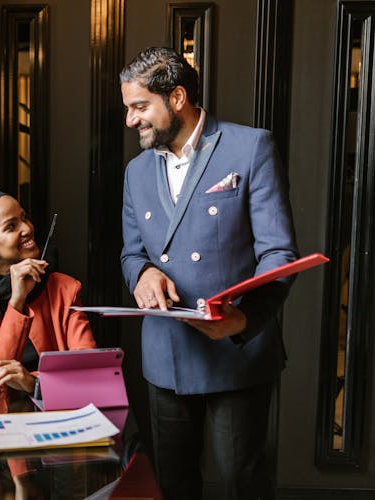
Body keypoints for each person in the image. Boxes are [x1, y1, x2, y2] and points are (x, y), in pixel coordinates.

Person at [119, 47, 298, 500]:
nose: (130, 120)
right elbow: (131, 253)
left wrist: (245, 318)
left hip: (237, 352)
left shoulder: (250, 146)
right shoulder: (136, 172)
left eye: (140, 107)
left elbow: (278, 251)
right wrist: (142, 275)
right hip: (168, 353)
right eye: (128, 108)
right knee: (175, 484)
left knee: (244, 484)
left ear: (177, 97)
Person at [0, 188, 96, 394]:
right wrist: (17, 300)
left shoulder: (64, 288)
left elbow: (89, 370)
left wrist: (34, 384)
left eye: (25, 217)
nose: (27, 228)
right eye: (11, 226)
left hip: (55, 414)